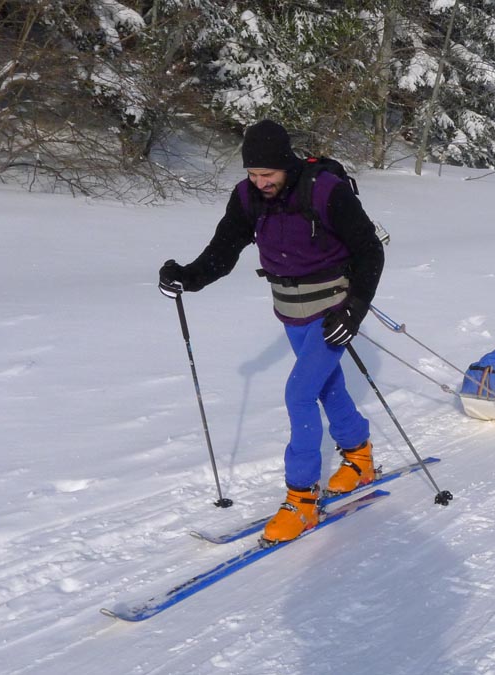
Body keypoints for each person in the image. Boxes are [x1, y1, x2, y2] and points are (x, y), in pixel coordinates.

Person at [157, 120, 385, 544]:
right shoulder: (247, 196)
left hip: (333, 309)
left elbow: (370, 249)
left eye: (268, 174)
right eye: (252, 174)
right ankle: (359, 457)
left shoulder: (324, 190)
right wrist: (187, 277)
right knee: (326, 386)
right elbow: (224, 250)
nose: (260, 182)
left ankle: (301, 501)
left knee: (298, 394)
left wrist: (353, 311)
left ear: (286, 165)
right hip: (290, 310)